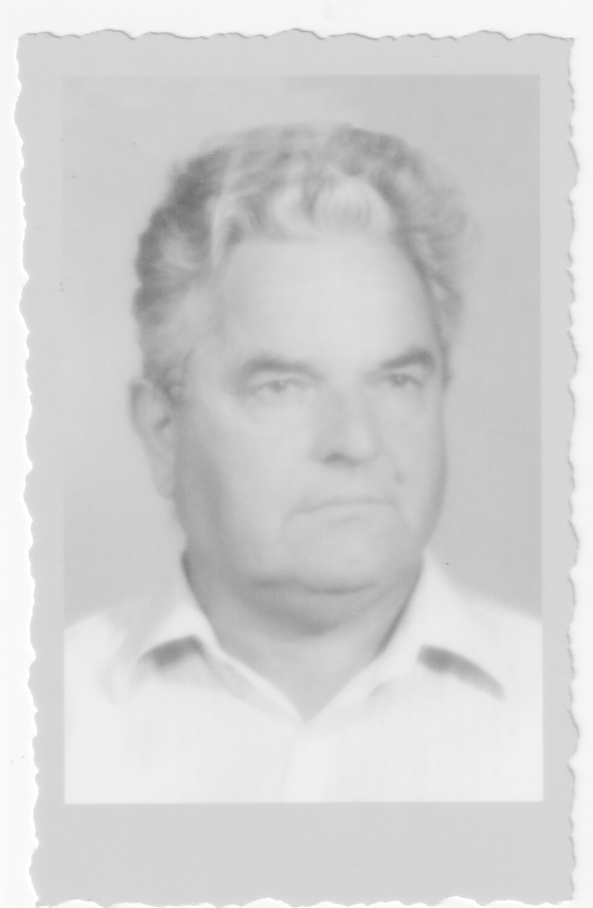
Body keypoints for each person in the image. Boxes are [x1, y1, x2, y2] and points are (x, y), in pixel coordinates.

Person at [65, 123, 542, 802]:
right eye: (282, 387)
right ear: (163, 432)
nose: (355, 440)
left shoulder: (562, 702)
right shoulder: (44, 710)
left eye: (396, 381)